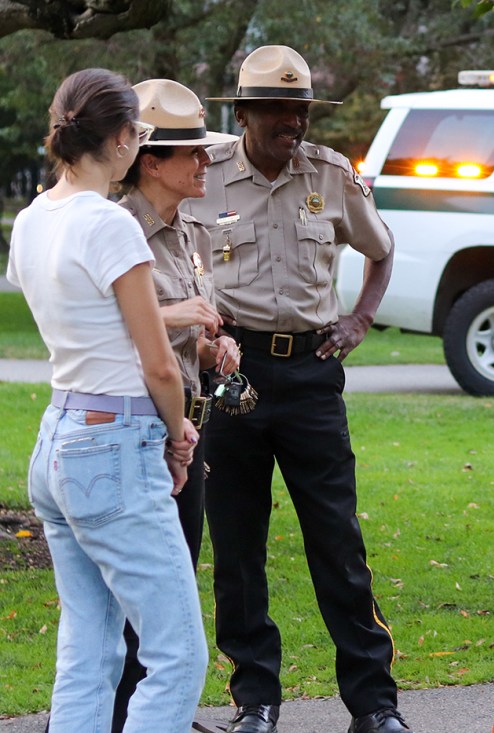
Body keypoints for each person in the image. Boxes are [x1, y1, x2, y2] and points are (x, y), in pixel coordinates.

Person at [181, 46, 408, 733]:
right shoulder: (206, 176)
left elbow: (381, 248)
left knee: (337, 540)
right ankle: (256, 701)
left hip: (310, 373)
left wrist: (361, 316)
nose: (293, 121)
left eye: (301, 108)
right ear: (244, 113)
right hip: (230, 372)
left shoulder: (331, 174)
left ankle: (374, 705)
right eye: (278, 108)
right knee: (239, 544)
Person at [6, 68, 206, 732]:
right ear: (123, 139)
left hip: (58, 439)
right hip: (114, 442)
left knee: (89, 650)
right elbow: (159, 363)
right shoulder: (112, 225)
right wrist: (179, 435)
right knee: (177, 653)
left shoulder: (32, 219)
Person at [109, 78, 242, 733]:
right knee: (135, 594)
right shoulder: (115, 229)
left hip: (187, 426)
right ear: (150, 161)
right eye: (192, 151)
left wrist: (213, 346)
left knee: (177, 575)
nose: (206, 163)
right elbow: (100, 325)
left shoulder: (188, 228)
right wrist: (173, 314)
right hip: (131, 429)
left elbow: (187, 324)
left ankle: (157, 715)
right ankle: (117, 714)